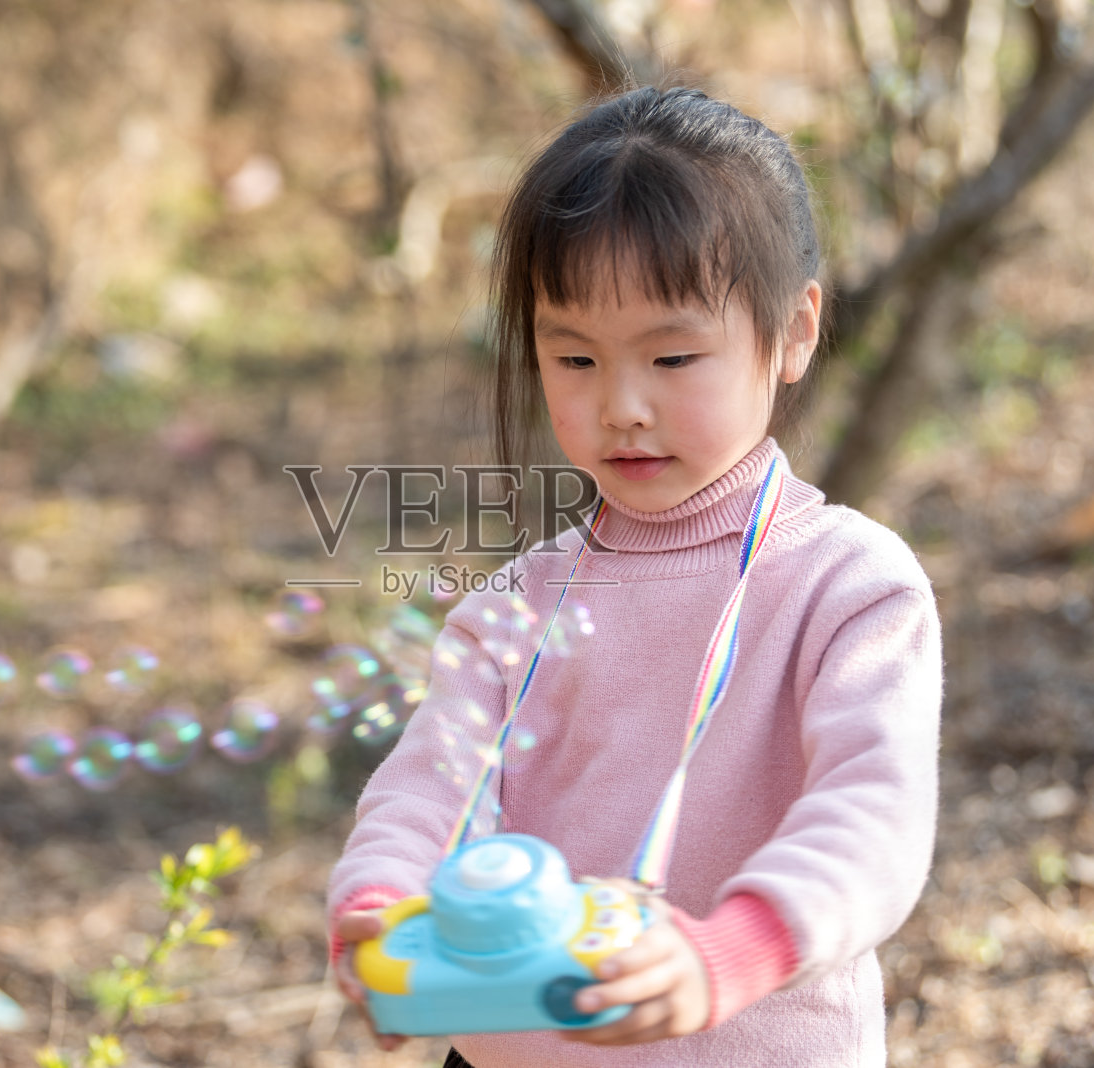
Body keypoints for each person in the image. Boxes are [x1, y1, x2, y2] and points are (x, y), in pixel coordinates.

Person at [326, 85, 943, 1068]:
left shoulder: (848, 585)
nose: (621, 406)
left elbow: (874, 814)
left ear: (792, 333)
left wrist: (727, 953)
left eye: (672, 355)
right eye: (572, 356)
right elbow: (430, 786)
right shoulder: (515, 608)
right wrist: (385, 903)